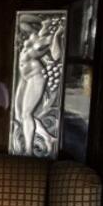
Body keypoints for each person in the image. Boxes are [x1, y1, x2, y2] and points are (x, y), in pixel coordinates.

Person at [13, 14, 64, 156]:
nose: (22, 27)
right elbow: (23, 20)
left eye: (48, 22)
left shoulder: (47, 38)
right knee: (18, 115)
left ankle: (28, 150)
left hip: (36, 76)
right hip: (24, 77)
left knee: (26, 113)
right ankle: (48, 138)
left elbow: (56, 56)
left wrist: (57, 36)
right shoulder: (32, 37)